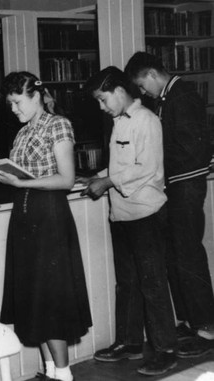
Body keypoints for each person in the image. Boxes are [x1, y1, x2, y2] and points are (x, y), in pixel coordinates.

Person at [0, 71, 91, 381]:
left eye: (17, 102)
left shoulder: (58, 125)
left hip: (49, 216)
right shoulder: (23, 131)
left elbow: (66, 179)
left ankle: (63, 372)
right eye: (10, 104)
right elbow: (24, 172)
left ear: (36, 96)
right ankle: (48, 371)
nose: (13, 109)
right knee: (34, 298)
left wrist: (17, 180)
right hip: (25, 216)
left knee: (50, 298)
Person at [81, 66, 177, 376]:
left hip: (146, 214)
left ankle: (166, 350)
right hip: (122, 214)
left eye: (103, 99)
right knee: (128, 284)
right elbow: (119, 166)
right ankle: (130, 343)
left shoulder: (146, 120)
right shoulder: (118, 122)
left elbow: (145, 168)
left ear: (120, 91)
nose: (101, 106)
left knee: (152, 285)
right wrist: (93, 178)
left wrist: (107, 183)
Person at [125, 51, 214, 358]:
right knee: (179, 255)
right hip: (176, 187)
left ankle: (207, 327)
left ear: (150, 75)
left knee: (189, 255)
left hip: (186, 186)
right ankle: (193, 321)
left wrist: (156, 162)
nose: (142, 92)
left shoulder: (181, 95)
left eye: (141, 85)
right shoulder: (168, 97)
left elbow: (192, 149)